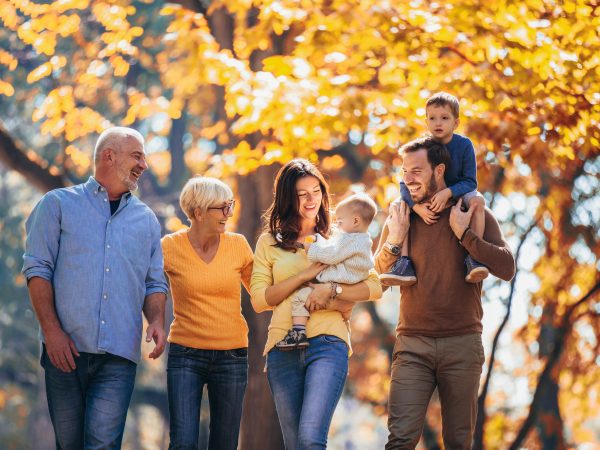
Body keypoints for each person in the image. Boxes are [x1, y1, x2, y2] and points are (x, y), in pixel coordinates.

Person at [22, 127, 168, 449]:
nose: (144, 165)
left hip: (118, 356)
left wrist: (156, 320)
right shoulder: (57, 204)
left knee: (102, 444)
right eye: (137, 156)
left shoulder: (146, 220)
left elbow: (154, 282)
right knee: (70, 444)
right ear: (109, 155)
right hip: (64, 351)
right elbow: (37, 269)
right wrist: (52, 331)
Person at [374, 136, 515, 449]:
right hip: (412, 345)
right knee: (400, 440)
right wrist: (395, 240)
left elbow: (507, 268)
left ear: (439, 170)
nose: (407, 179)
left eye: (416, 171)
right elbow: (376, 281)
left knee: (458, 442)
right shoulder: (401, 217)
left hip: (462, 344)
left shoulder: (471, 213)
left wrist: (465, 235)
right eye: (404, 171)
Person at [250, 159, 382, 449]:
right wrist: (306, 275)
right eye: (302, 194)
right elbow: (260, 300)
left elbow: (374, 286)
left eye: (317, 191)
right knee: (295, 444)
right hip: (282, 348)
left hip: (327, 343)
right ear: (288, 198)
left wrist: (332, 290)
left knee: (310, 440)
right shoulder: (268, 243)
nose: (312, 200)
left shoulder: (341, 237)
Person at [161, 176, 253, 450]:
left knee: (224, 444)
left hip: (232, 356)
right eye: (222, 207)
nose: (229, 213)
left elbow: (263, 295)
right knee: (183, 442)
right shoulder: (169, 247)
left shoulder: (238, 245)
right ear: (198, 211)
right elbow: (147, 286)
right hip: (185, 355)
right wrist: (152, 322)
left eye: (230, 205)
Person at [380, 92, 489, 286]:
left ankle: (475, 257)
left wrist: (448, 192)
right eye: (432, 118)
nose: (438, 123)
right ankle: (403, 263)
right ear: (426, 121)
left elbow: (471, 182)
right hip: (424, 195)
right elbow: (405, 182)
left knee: (478, 201)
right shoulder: (424, 146)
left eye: (445, 118)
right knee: (398, 207)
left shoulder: (464, 145)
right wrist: (415, 206)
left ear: (456, 123)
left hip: (458, 192)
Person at [276, 193, 377, 350]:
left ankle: (298, 333)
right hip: (347, 286)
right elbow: (334, 247)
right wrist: (320, 240)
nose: (337, 225)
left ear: (355, 221)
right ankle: (342, 315)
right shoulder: (363, 240)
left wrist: (309, 247)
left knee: (300, 298)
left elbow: (331, 254)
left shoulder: (349, 239)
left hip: (340, 280)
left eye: (340, 221)